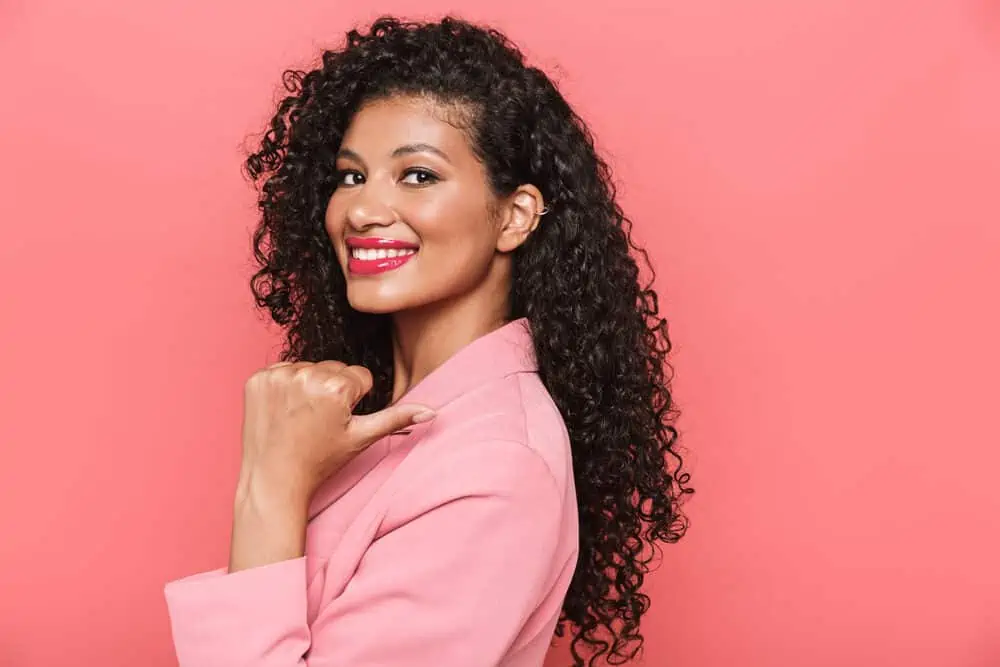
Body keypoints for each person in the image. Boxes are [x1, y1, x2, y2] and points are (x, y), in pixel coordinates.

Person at [163, 14, 692, 667]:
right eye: (351, 176)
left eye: (417, 175)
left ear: (515, 215)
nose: (360, 209)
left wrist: (270, 487)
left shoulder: (494, 468)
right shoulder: (391, 420)